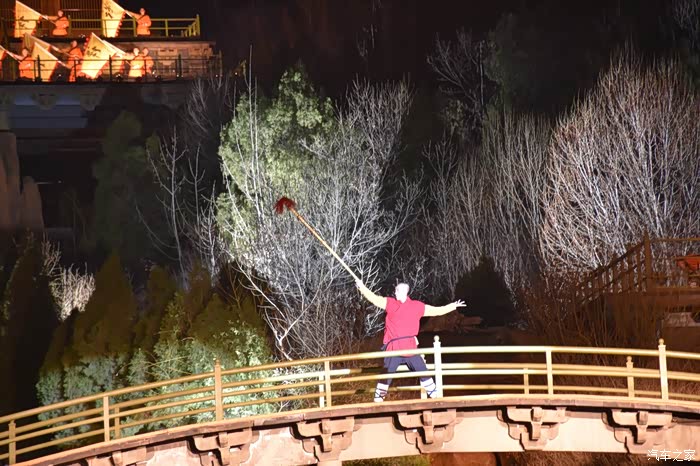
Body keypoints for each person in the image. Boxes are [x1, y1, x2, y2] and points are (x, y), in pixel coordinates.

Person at [355, 279, 465, 402]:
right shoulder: (392, 303)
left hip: (408, 347)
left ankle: (435, 397)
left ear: (403, 292)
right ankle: (378, 399)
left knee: (422, 369)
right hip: (395, 348)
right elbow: (374, 299)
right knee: (387, 374)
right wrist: (362, 287)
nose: (395, 293)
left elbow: (436, 311)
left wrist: (452, 307)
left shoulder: (416, 306)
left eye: (396, 290)